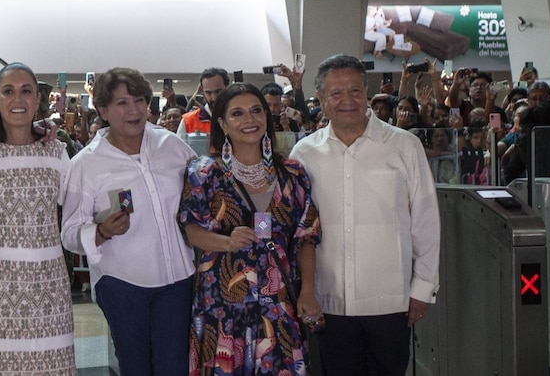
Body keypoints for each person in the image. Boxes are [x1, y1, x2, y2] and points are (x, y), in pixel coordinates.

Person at [290, 55, 440, 376]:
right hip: (329, 302)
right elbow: (298, 228)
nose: (347, 100)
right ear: (321, 100)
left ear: (367, 92)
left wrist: (423, 288)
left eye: (355, 91)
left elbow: (426, 221)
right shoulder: (304, 153)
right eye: (336, 93)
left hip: (391, 301)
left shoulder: (404, 146)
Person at [61, 67, 197, 375]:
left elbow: (203, 192)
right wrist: (101, 231)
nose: (133, 110)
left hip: (177, 278)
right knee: (135, 367)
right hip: (122, 283)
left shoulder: (171, 145)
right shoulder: (86, 164)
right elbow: (68, 233)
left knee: (174, 366)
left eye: (139, 100)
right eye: (122, 103)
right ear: (103, 110)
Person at [179, 83, 322, 375]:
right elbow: (190, 230)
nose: (250, 119)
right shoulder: (205, 173)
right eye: (238, 113)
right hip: (221, 304)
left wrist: (308, 290)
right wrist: (226, 242)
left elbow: (306, 236)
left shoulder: (292, 173)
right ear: (222, 123)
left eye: (257, 111)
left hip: (279, 303)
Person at [0, 62, 75, 374]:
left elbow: (77, 205)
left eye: (26, 91)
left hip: (49, 288)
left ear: (37, 100)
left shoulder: (55, 151)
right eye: (8, 91)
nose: (18, 99)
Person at [178, 68, 231, 136]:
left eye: (218, 92)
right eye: (208, 93)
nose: (213, 98)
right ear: (203, 92)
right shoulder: (188, 121)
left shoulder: (240, 117)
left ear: (227, 88)